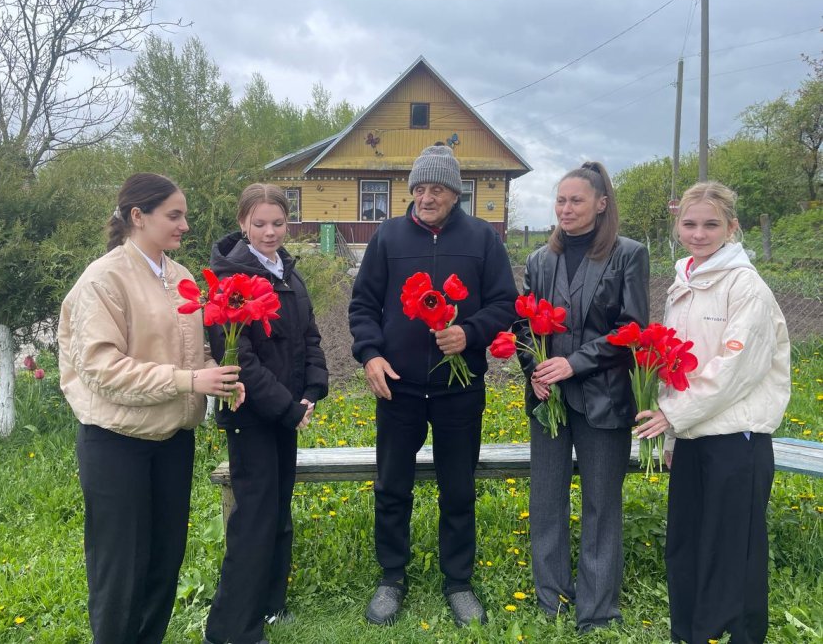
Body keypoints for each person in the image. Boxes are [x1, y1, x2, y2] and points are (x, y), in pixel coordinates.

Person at [58, 173, 244, 644]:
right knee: (120, 569)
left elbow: (191, 353)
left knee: (165, 559)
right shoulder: (103, 280)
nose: (185, 226)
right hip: (116, 444)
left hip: (171, 439)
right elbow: (102, 369)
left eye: (185, 215)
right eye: (174, 215)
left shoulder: (180, 277)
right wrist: (189, 381)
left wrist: (216, 379)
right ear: (137, 217)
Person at [349, 144, 517, 627]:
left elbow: (505, 304)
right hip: (398, 389)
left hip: (459, 390)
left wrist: (470, 332)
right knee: (392, 487)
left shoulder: (482, 239)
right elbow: (362, 306)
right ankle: (392, 577)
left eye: (436, 188)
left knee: (458, 490)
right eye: (419, 188)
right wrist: (371, 354)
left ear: (455, 192)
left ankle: (458, 582)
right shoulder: (388, 237)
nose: (426, 197)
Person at [633, 182, 790, 644]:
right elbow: (674, 364)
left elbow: (735, 368)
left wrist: (672, 418)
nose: (699, 234)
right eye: (690, 224)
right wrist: (675, 437)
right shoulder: (685, 280)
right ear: (677, 227)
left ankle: (740, 635)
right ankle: (691, 632)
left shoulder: (746, 287)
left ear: (732, 228)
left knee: (732, 551)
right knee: (687, 544)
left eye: (711, 224)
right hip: (692, 435)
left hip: (734, 438)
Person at [516, 161, 649, 633]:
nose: (566, 209)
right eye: (560, 200)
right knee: (547, 499)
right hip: (548, 402)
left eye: (576, 200)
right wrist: (535, 371)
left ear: (600, 204)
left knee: (600, 504)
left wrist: (576, 362)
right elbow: (522, 326)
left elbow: (631, 329)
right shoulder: (538, 260)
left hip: (603, 400)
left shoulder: (627, 255)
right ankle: (550, 599)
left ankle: (597, 610)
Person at [203, 183, 328, 644]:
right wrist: (285, 408)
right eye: (260, 224)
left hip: (287, 414)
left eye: (278, 223)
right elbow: (240, 360)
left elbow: (310, 338)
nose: (270, 232)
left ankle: (271, 605)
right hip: (253, 416)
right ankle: (231, 628)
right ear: (242, 224)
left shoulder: (288, 275)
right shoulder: (230, 280)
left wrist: (312, 389)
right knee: (253, 519)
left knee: (278, 512)